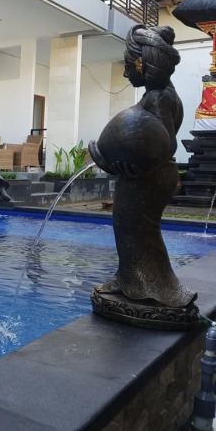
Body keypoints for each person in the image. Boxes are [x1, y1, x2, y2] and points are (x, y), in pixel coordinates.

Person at [88, 24, 196, 308]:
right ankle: (128, 280)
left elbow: (166, 142)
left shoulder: (159, 96)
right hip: (147, 173)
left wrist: (142, 169)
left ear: (140, 64)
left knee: (139, 231)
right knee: (127, 228)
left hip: (150, 174)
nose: (126, 74)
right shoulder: (161, 93)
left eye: (127, 66)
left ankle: (160, 290)